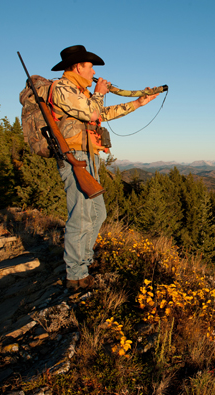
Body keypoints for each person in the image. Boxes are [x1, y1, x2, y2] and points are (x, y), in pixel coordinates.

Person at [50, 45, 159, 291]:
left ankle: (85, 261)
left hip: (89, 155)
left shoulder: (82, 92)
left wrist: (138, 103)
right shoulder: (62, 88)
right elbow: (91, 112)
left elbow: (101, 114)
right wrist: (99, 93)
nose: (93, 73)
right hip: (74, 156)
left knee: (98, 214)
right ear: (78, 66)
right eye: (90, 67)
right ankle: (75, 275)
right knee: (80, 215)